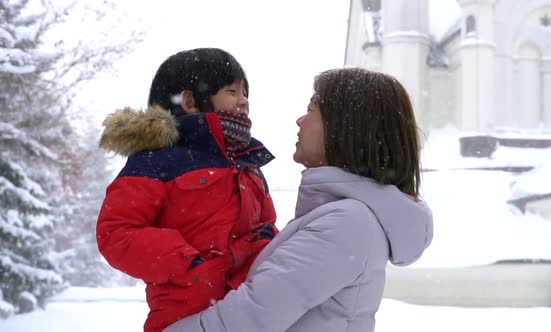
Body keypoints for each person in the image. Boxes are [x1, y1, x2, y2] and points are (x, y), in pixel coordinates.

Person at [164, 67, 434, 332]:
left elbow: (243, 320)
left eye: (311, 109)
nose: (300, 120)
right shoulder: (345, 219)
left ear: (345, 128)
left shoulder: (346, 224)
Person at [96, 48, 278, 332]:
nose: (244, 102)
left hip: (244, 318)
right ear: (190, 101)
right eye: (232, 91)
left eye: (246, 93)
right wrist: (188, 265)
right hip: (182, 320)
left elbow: (265, 229)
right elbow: (115, 233)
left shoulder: (248, 163)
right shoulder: (156, 160)